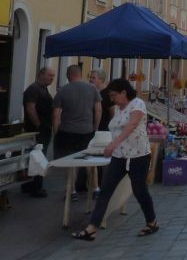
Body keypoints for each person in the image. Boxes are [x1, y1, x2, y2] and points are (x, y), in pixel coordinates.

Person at [71, 78, 158, 241]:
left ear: (123, 93)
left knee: (140, 191)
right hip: (119, 156)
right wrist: (113, 146)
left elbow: (131, 126)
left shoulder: (137, 104)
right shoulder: (118, 108)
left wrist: (113, 144)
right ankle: (91, 228)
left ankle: (152, 221)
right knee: (105, 190)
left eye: (113, 95)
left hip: (138, 156)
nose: (112, 99)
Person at [53, 65, 101, 201]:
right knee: (90, 160)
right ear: (81, 74)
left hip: (67, 131)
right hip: (87, 131)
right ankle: (96, 189)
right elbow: (98, 110)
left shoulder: (63, 90)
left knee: (70, 162)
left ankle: (71, 191)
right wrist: (95, 127)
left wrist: (56, 131)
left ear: (68, 75)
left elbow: (56, 115)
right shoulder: (92, 89)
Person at [21, 67, 55, 198]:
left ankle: (28, 186)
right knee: (38, 159)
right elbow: (30, 108)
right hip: (37, 131)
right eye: (50, 75)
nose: (52, 78)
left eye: (53, 76)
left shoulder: (43, 89)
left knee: (34, 158)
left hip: (43, 129)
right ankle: (36, 188)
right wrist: (38, 125)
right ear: (41, 74)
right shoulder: (34, 89)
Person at [88, 69, 114, 200]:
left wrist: (111, 128)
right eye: (90, 77)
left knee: (102, 158)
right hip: (96, 129)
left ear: (101, 80)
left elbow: (112, 112)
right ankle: (95, 184)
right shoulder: (94, 92)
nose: (91, 80)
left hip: (104, 129)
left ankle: (103, 185)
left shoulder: (106, 94)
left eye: (93, 78)